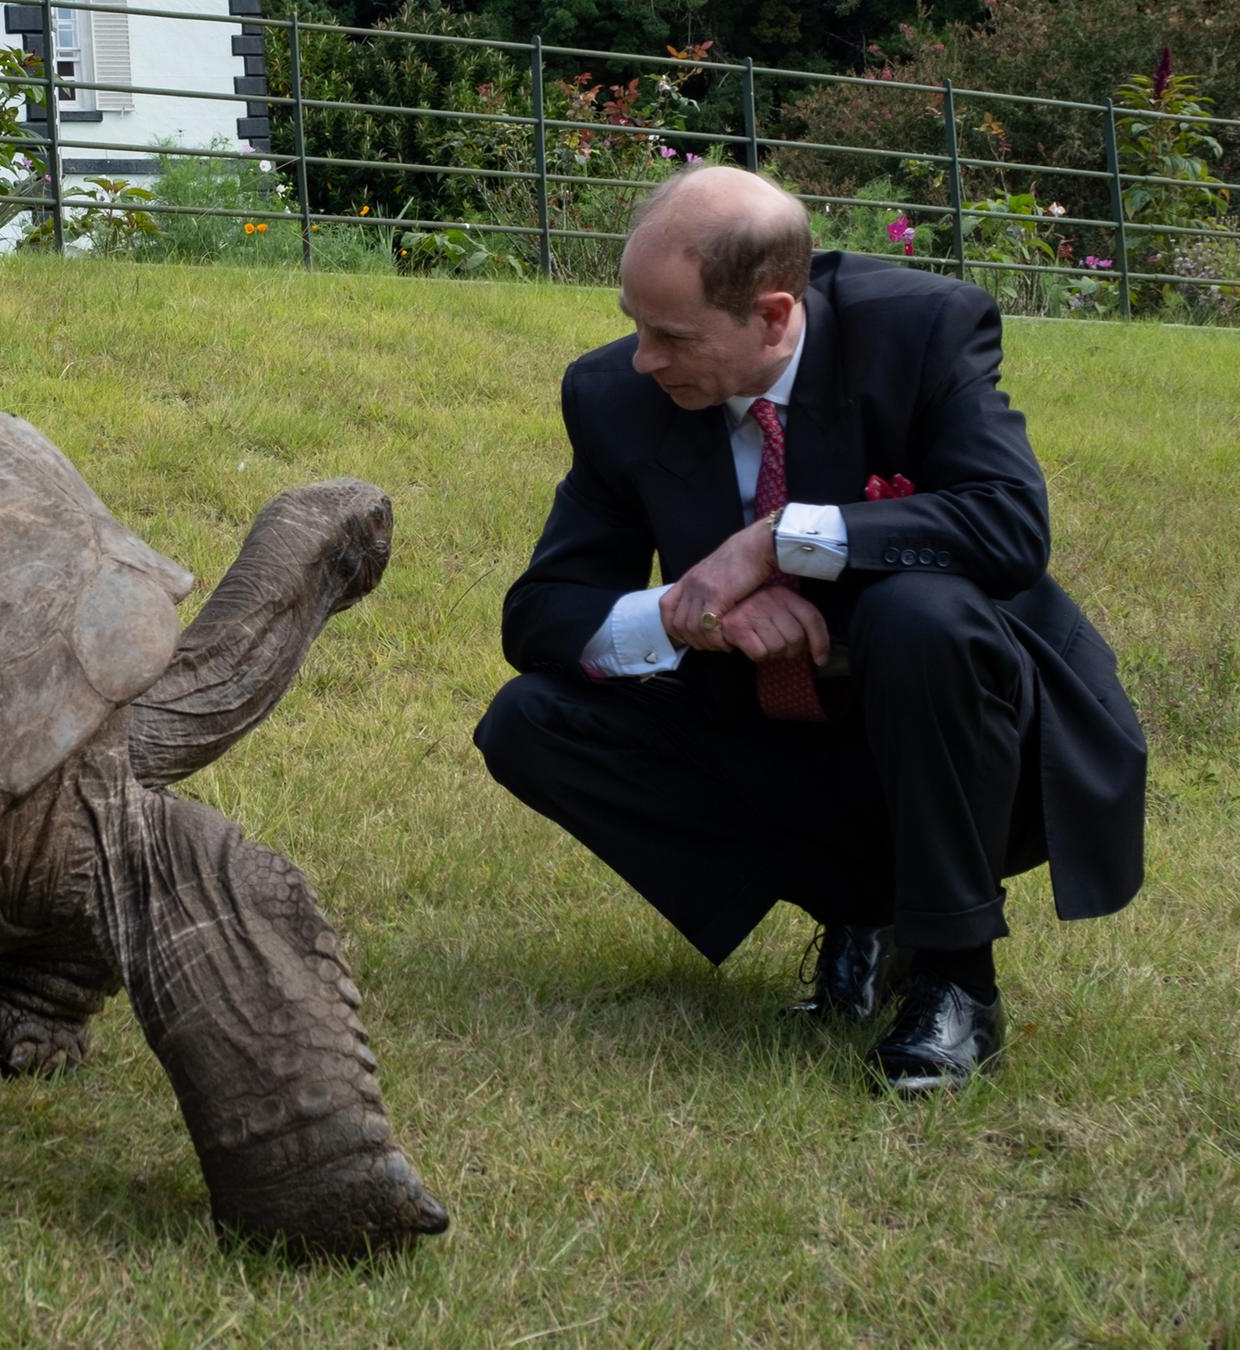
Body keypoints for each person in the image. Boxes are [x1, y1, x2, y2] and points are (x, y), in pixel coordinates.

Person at [473, 165, 1146, 1094]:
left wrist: (779, 545)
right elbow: (542, 612)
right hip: (773, 731)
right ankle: (855, 906)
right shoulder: (614, 398)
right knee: (527, 721)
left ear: (775, 315)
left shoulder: (920, 331)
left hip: (976, 742)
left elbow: (1009, 525)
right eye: (633, 322)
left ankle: (956, 977)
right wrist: (689, 613)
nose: (642, 358)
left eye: (670, 335)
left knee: (918, 613)